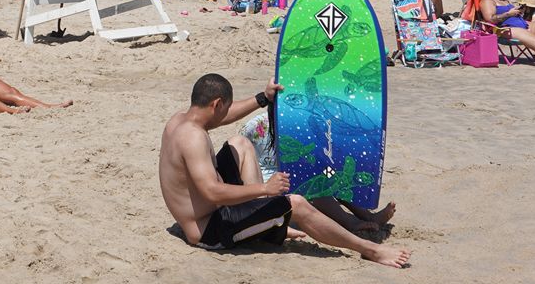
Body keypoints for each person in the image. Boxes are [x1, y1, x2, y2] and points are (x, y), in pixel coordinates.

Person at [157, 75, 409, 268]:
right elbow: (211, 192)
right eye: (225, 108)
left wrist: (262, 98)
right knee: (295, 203)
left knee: (240, 143)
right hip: (209, 230)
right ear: (217, 103)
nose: (225, 115)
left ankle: (266, 222)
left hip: (207, 211)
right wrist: (265, 188)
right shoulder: (194, 138)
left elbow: (221, 117)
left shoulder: (180, 120)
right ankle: (369, 250)